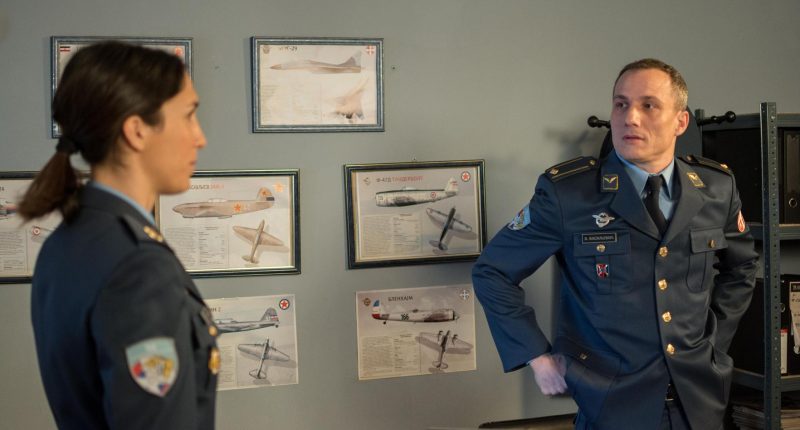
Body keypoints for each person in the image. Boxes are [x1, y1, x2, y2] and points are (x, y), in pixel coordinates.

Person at [472, 58, 758, 430]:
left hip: (698, 401)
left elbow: (742, 268)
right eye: (621, 104)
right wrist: (535, 356)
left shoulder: (717, 188)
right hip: (611, 403)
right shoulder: (569, 193)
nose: (630, 118)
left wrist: (712, 345)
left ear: (680, 121)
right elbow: (493, 271)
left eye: (648, 105)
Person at [20, 41, 218, 429]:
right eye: (189, 116)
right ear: (137, 130)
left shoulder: (68, 241)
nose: (200, 137)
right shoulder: (139, 268)